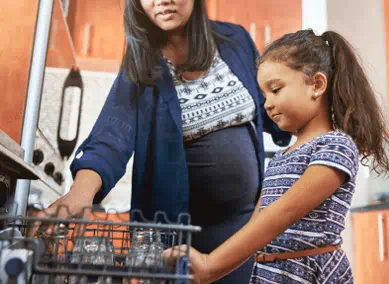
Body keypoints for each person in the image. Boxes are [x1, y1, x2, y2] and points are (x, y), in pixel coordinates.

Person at [35, 0, 290, 283]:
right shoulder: (142, 62)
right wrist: (81, 192)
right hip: (175, 242)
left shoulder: (236, 40)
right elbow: (111, 136)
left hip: (244, 233)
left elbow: (272, 107)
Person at [163, 29, 389, 284]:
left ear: (316, 85)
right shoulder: (281, 158)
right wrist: (214, 264)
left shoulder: (336, 146)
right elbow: (256, 228)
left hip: (308, 274)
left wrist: (211, 265)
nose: (267, 104)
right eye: (264, 95)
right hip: (271, 275)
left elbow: (281, 214)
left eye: (276, 89)